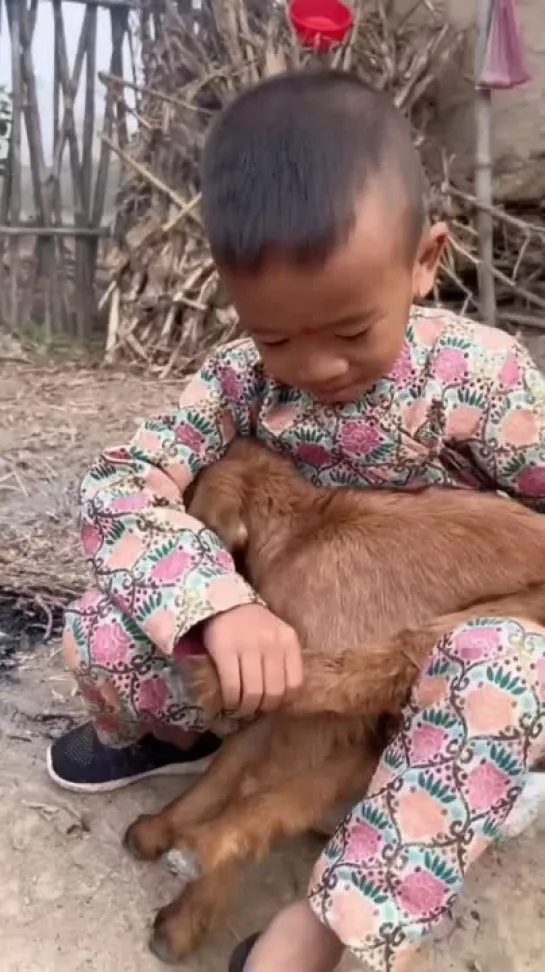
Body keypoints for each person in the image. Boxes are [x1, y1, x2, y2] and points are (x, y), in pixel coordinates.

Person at [48, 70, 545, 972]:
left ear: (425, 260)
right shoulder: (237, 380)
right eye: (277, 336)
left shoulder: (483, 380)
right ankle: (177, 738)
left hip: (418, 677)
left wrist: (454, 636)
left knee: (508, 677)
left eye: (353, 331)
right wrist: (215, 607)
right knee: (102, 639)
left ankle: (326, 922)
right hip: (280, 661)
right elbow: (121, 488)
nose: (314, 366)